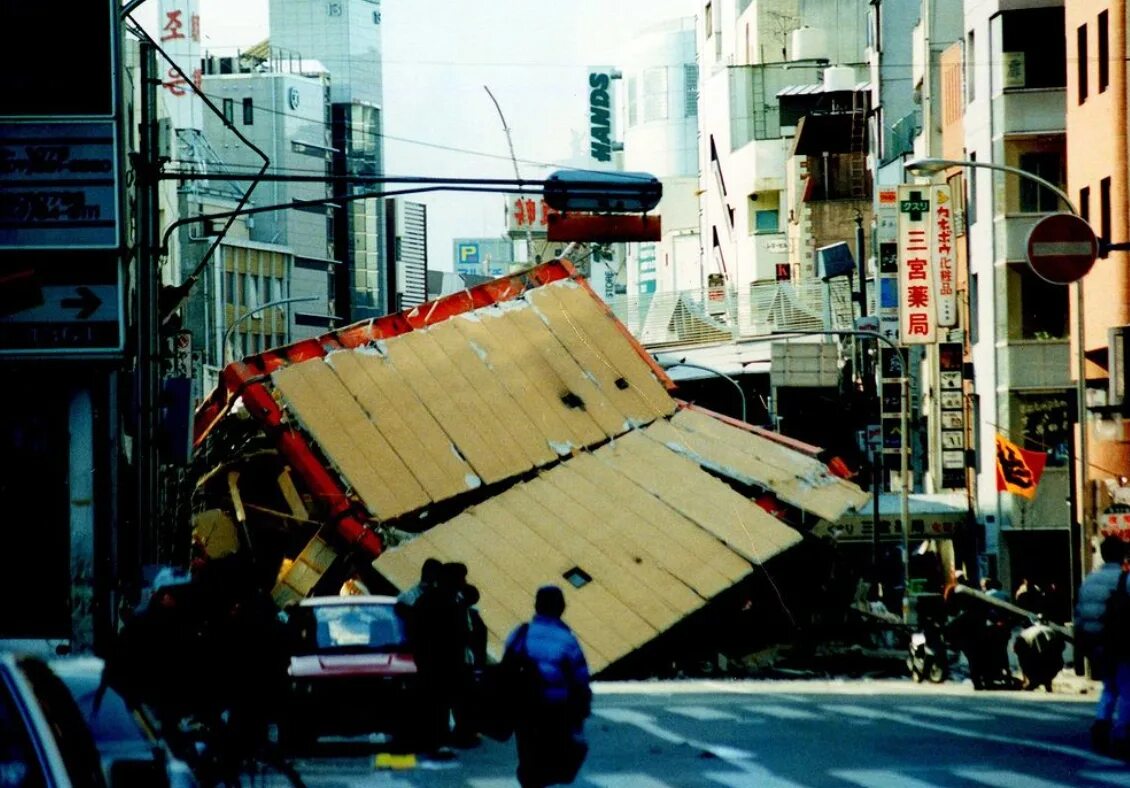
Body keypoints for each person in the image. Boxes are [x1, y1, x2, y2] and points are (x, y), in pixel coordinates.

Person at [504, 585, 591, 788]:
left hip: (523, 708)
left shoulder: (520, 633)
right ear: (561, 607)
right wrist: (581, 712)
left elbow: (506, 668)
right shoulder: (567, 640)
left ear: (536, 606)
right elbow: (580, 678)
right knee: (551, 759)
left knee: (528, 758)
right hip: (555, 709)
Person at [1075, 535, 1130, 755]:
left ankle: (1101, 725)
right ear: (1122, 555)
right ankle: (1122, 733)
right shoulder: (1125, 580)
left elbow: (1080, 615)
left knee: (1109, 688)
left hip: (1098, 644)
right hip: (1123, 643)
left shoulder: (1089, 580)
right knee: (1127, 690)